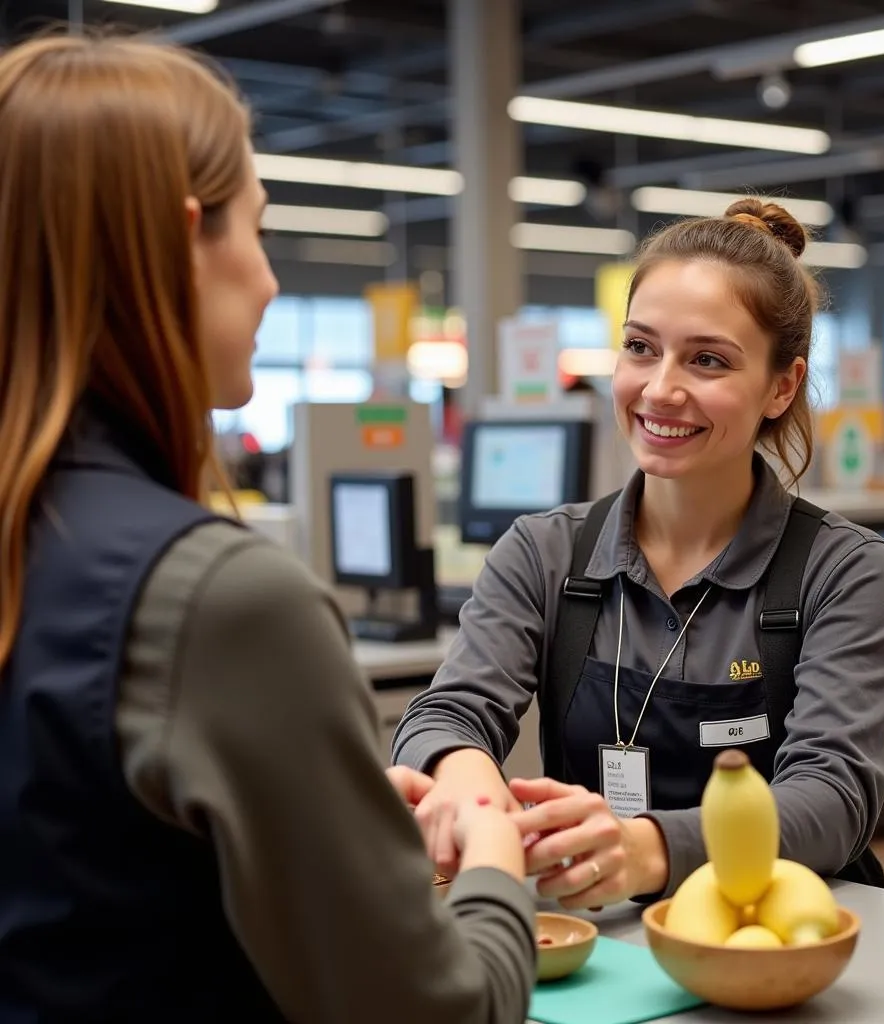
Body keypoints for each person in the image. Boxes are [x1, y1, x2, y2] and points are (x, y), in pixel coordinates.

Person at [0, 34, 534, 1024]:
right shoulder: (218, 598)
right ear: (177, 242)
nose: (272, 281)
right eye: (259, 228)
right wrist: (496, 865)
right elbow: (435, 1014)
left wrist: (321, 821)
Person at [393, 198, 884, 910]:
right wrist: (463, 781)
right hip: (595, 934)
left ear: (781, 386)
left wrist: (645, 850)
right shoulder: (544, 554)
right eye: (640, 347)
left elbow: (832, 800)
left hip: (770, 941)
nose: (660, 389)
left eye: (707, 360)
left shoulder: (840, 570)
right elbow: (447, 712)